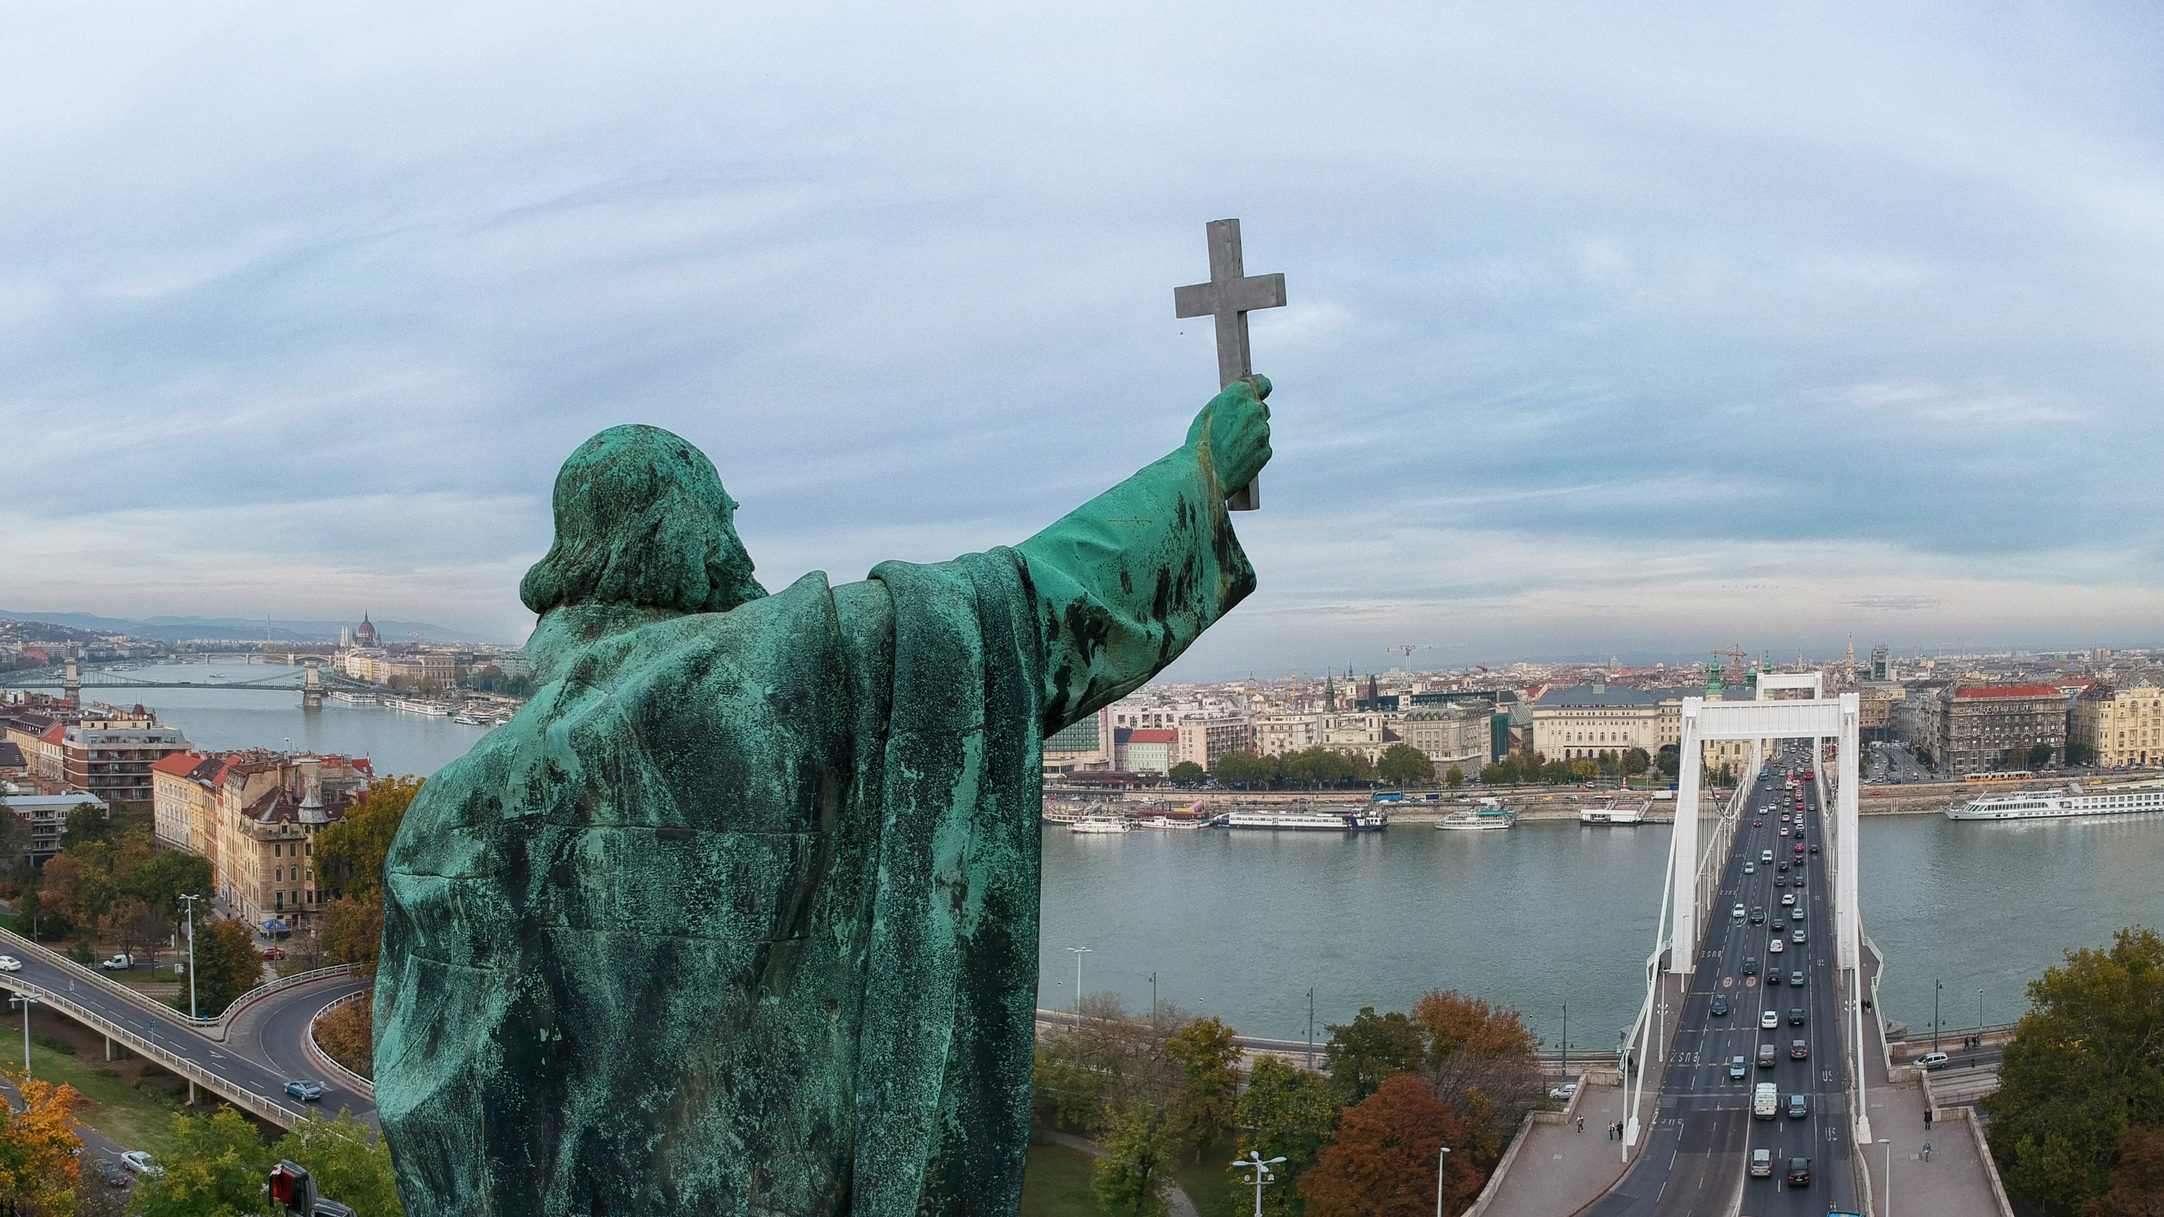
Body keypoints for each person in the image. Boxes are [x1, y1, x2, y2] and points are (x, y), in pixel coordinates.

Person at [375, 381, 1276, 1216]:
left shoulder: (446, 813)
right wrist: (1192, 485)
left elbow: (437, 1127)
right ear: (666, 539)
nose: (743, 552)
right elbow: (1017, 614)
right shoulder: (755, 681)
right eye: (722, 524)